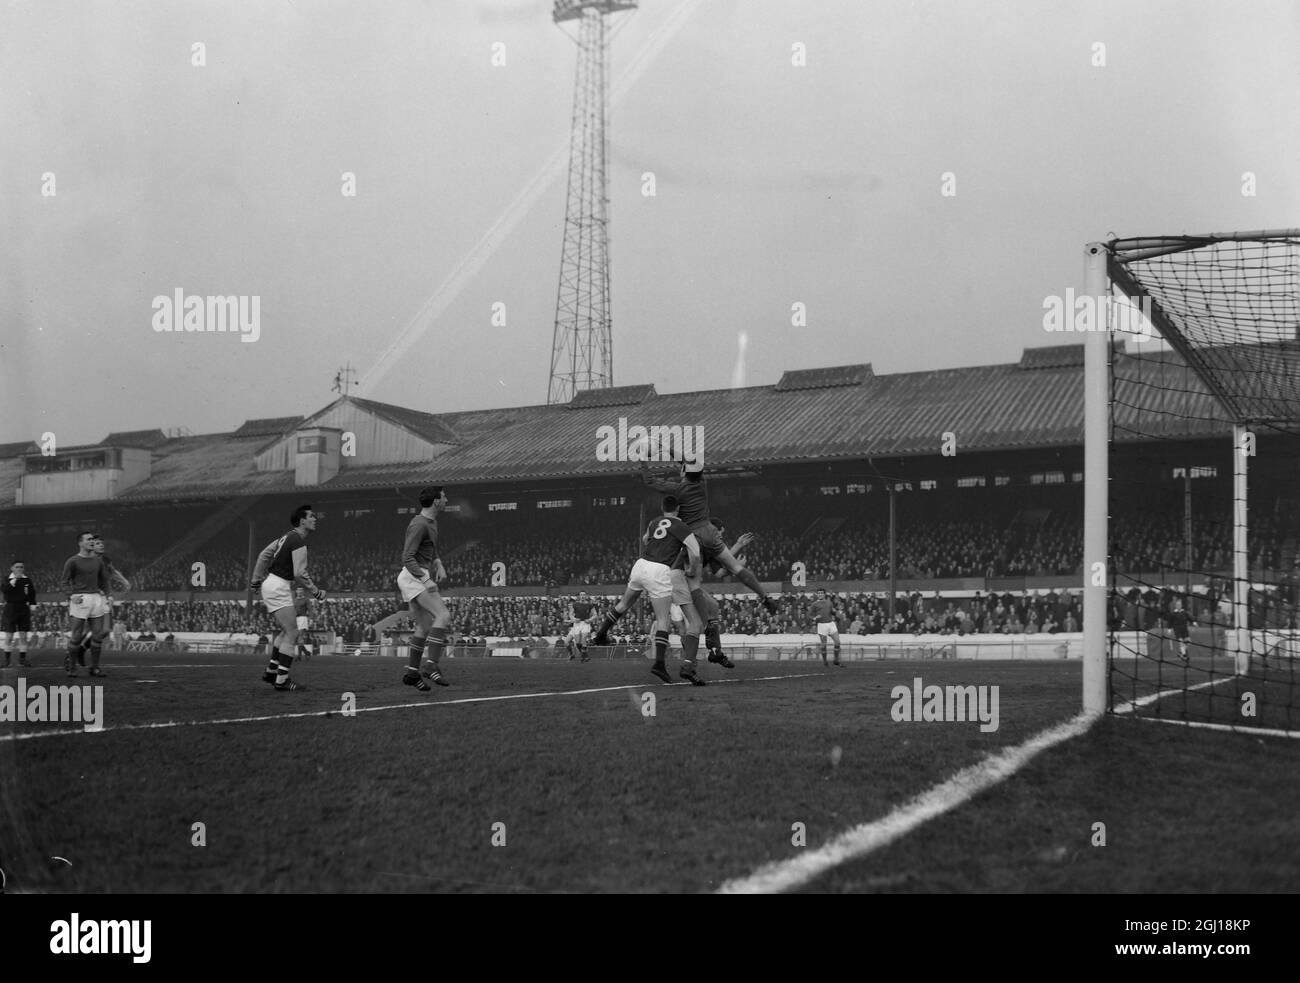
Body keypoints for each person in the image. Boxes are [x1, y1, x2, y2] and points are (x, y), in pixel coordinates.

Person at [591, 495, 707, 685]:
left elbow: (646, 539)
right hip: (659, 568)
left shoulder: (655, 521)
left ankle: (601, 634)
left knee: (624, 603)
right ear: (678, 509)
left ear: (663, 508)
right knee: (663, 619)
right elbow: (694, 551)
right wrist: (692, 569)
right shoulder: (681, 526)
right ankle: (659, 665)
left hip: (641, 564)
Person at [640, 458, 779, 615]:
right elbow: (689, 462)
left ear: (684, 472)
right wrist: (670, 450)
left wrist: (643, 461)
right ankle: (765, 598)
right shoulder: (702, 483)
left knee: (691, 582)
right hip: (709, 530)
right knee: (736, 567)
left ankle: (703, 623)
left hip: (692, 537)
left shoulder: (677, 490)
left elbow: (649, 481)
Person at [250, 505, 325, 692]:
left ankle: (271, 672)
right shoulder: (298, 540)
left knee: (286, 632)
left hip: (273, 583)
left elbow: (263, 555)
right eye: (311, 516)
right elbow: (300, 573)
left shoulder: (285, 537)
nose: (315, 519)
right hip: (278, 585)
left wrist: (256, 580)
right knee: (293, 633)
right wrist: (316, 591)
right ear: (302, 521)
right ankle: (281, 681)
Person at [398, 486, 453, 691]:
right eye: (444, 496)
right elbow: (407, 557)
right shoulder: (419, 524)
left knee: (424, 625)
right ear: (436, 501)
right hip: (414, 575)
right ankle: (431, 666)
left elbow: (430, 547)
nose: (446, 499)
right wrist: (425, 578)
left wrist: (438, 562)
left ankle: (412, 672)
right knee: (443, 615)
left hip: (415, 575)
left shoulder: (431, 522)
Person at [59, 531, 111, 677]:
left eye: (93, 539)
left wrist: (108, 596)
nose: (92, 541)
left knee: (98, 635)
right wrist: (71, 596)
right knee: (76, 636)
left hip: (96, 598)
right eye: (88, 539)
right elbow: (64, 582)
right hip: (80, 599)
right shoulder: (72, 561)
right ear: (80, 543)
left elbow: (104, 581)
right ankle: (72, 667)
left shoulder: (98, 561)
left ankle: (94, 667)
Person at [2, 560, 37, 667]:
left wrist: (32, 604)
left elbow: (32, 593)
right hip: (11, 608)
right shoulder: (6, 579)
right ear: (12, 568)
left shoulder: (27, 580)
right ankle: (7, 660)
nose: (19, 569)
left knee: (23, 635)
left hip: (23, 608)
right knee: (9, 635)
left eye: (21, 567)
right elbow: (4, 590)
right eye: (17, 567)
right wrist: (14, 580)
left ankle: (22, 659)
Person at [810, 587, 842, 666]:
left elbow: (832, 612)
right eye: (819, 593)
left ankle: (836, 660)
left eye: (822, 593)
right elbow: (809, 615)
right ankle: (825, 661)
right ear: (817, 595)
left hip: (831, 623)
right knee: (824, 645)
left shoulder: (829, 602)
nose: (820, 594)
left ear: (824, 594)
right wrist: (814, 618)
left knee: (837, 642)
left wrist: (837, 612)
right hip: (821, 625)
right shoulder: (814, 604)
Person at [566, 591, 596, 662]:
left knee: (584, 638)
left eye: (584, 595)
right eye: (581, 595)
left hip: (585, 623)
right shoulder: (575, 604)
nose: (582, 596)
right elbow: (570, 614)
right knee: (578, 643)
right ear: (579, 596)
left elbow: (595, 614)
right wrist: (574, 619)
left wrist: (590, 619)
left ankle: (585, 656)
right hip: (577, 624)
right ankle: (584, 656)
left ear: (586, 596)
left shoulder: (590, 605)